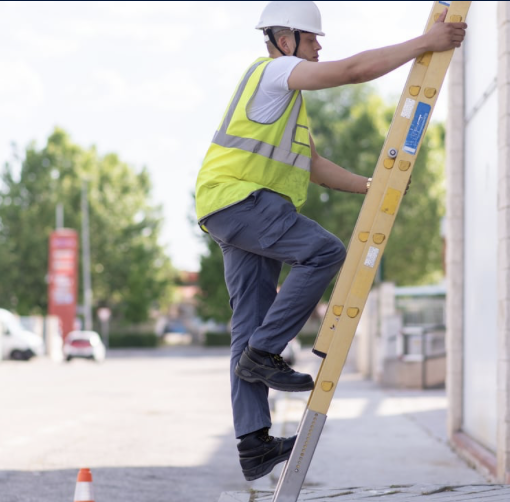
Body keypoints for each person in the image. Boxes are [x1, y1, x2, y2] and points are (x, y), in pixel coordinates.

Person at [195, 1, 467, 481]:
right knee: (324, 252)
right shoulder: (275, 73)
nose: (320, 46)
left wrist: (372, 185)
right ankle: (266, 354)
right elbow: (354, 71)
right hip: (243, 203)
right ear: (284, 40)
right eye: (311, 37)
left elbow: (315, 168)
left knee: (248, 325)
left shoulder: (287, 107)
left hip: (232, 209)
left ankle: (253, 443)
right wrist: (426, 43)